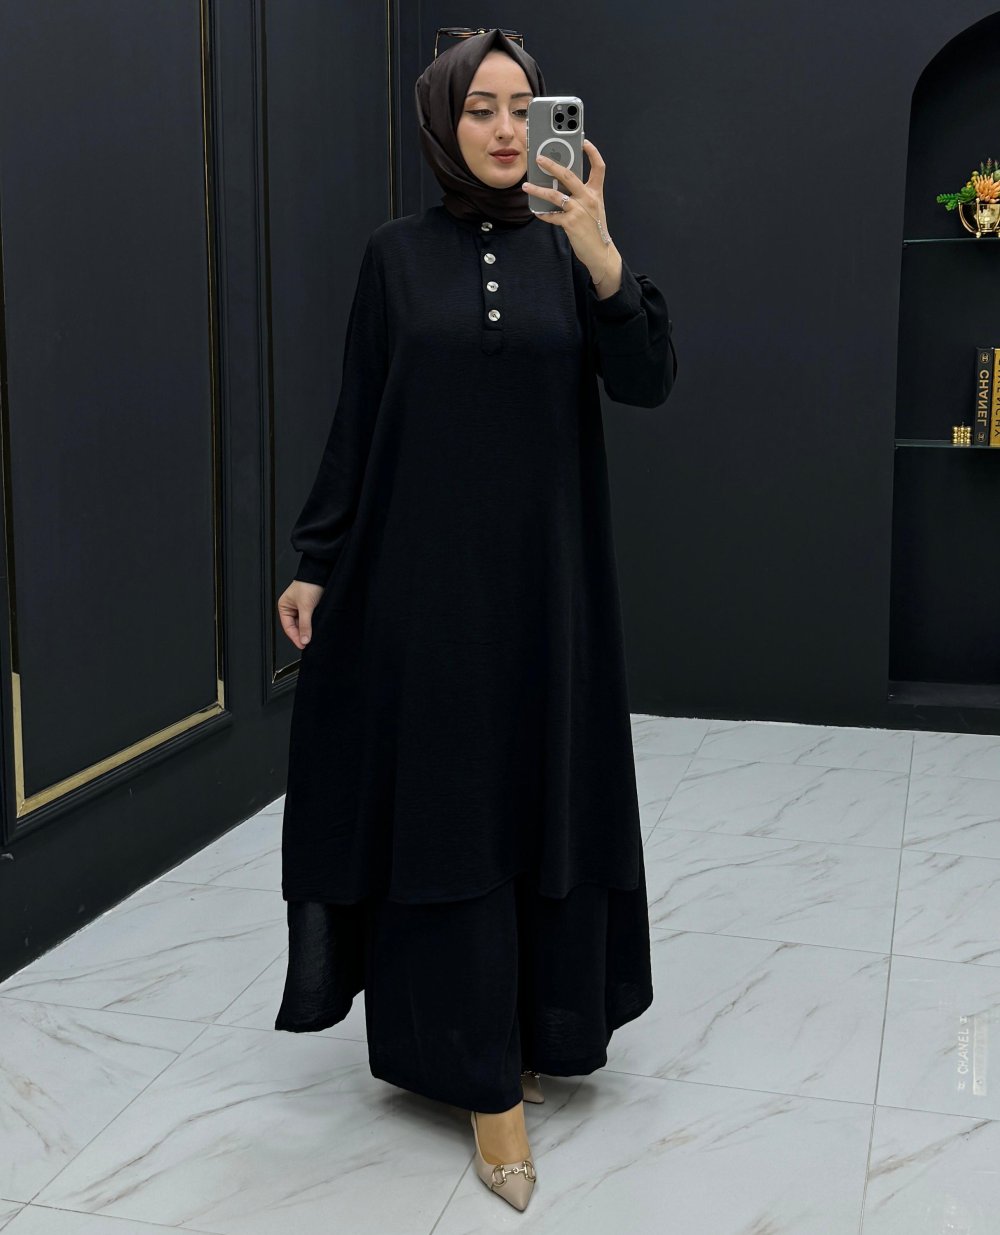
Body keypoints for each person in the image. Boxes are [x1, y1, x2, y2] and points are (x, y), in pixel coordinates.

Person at [273, 27, 677, 1212]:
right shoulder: (393, 258)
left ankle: (539, 1022)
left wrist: (602, 257)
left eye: (521, 106)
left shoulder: (569, 252)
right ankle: (480, 1075)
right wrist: (315, 559)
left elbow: (647, 379)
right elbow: (359, 413)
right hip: (422, 595)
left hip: (549, 595)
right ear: (442, 123)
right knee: (450, 810)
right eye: (479, 108)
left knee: (538, 793)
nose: (505, 129)